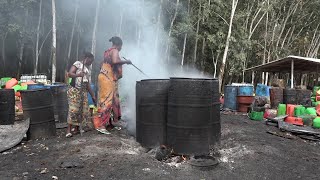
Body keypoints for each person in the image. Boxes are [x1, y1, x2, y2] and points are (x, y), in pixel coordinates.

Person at [96, 36, 131, 134]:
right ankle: (101, 125)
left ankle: (110, 124)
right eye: (121, 46)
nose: (121, 49)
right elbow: (115, 62)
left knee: (113, 100)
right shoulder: (115, 50)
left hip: (106, 77)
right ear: (119, 45)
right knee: (106, 101)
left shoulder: (107, 52)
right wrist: (126, 61)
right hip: (107, 78)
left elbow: (102, 64)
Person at [66, 52, 96, 138]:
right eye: (91, 60)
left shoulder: (88, 70)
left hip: (83, 91)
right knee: (73, 110)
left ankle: (76, 129)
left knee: (83, 110)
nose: (91, 62)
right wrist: (78, 75)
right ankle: (68, 130)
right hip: (75, 91)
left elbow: (88, 84)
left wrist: (93, 95)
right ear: (87, 58)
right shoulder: (78, 64)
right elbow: (69, 74)